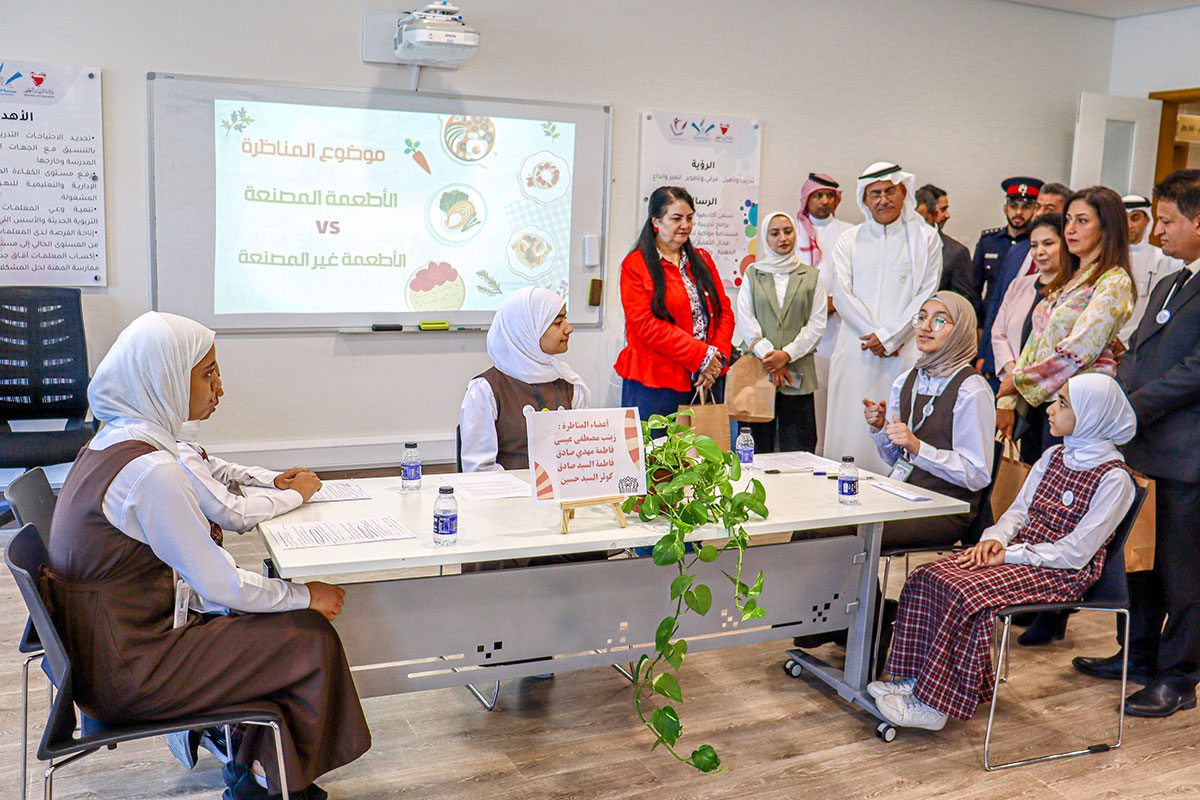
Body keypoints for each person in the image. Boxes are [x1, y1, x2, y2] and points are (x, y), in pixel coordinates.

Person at [46, 312, 370, 800]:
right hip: (130, 671)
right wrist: (306, 594)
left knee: (267, 629)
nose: (220, 386)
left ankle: (259, 772)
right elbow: (220, 582)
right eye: (208, 372)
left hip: (104, 654)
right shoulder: (151, 470)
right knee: (307, 637)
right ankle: (269, 787)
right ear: (164, 377)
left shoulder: (111, 442)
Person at [871, 373, 1136, 730]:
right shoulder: (1054, 456)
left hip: (1060, 572)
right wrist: (994, 538)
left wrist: (1008, 554)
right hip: (1021, 554)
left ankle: (934, 705)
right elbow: (1019, 511)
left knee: (967, 593)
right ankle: (914, 678)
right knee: (927, 575)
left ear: (1092, 416)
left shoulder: (1114, 479)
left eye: (1063, 404)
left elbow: (1075, 553)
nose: (1050, 409)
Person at [1074, 169, 1200, 719]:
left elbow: (1196, 371)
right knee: (1142, 563)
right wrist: (1117, 393)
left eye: (1168, 220)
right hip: (1144, 446)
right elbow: (1139, 355)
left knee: (1185, 573)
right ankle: (1139, 655)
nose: (1158, 232)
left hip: (1188, 454)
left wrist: (1132, 405)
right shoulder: (1173, 282)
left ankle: (1179, 676)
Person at [997, 186, 1134, 646]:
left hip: (1081, 407)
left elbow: (1081, 348)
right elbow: (1039, 341)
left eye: (1080, 221)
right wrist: (1014, 394)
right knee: (1044, 504)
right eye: (1068, 220)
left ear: (1106, 226)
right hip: (1047, 400)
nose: (1070, 229)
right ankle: (1038, 599)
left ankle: (1055, 608)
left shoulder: (1113, 280)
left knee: (1073, 507)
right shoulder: (1075, 277)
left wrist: (1021, 381)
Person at [823, 162, 942, 473]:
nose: (883, 200)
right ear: (864, 199)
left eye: (890, 191)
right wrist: (876, 335)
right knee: (849, 427)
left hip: (903, 350)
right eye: (875, 194)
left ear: (904, 192)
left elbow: (926, 294)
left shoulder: (926, 238)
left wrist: (890, 337)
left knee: (897, 422)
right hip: (856, 349)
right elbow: (843, 295)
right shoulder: (849, 239)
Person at [860, 291, 995, 548]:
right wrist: (881, 429)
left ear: (961, 330)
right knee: (821, 525)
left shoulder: (971, 389)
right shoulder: (909, 380)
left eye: (940, 320)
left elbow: (977, 475)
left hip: (946, 506)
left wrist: (918, 447)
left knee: (847, 534)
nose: (926, 327)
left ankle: (855, 591)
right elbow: (897, 459)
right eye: (921, 318)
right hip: (905, 492)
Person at [617, 186, 734, 423]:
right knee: (659, 456)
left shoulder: (702, 259)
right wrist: (701, 356)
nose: (685, 225)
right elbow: (645, 325)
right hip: (657, 383)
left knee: (704, 457)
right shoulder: (635, 265)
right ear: (656, 222)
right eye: (676, 218)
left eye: (690, 218)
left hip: (707, 379)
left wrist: (715, 360)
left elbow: (724, 312)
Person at [460, 287, 589, 472]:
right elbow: (479, 470)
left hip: (564, 494)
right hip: (506, 497)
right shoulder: (485, 389)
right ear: (527, 329)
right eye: (558, 322)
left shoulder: (569, 383)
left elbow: (584, 454)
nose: (569, 328)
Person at [735, 211, 826, 452]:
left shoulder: (812, 276)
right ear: (765, 238)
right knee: (756, 447)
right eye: (774, 233)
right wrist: (770, 357)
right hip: (758, 371)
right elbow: (746, 319)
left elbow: (816, 323)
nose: (783, 238)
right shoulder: (753, 273)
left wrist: (786, 355)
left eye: (788, 231)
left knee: (799, 446)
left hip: (799, 373)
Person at [992, 213, 1075, 462]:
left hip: (1058, 392)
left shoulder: (1077, 290)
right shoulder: (1020, 285)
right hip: (1018, 391)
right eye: (1034, 245)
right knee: (1025, 463)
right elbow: (999, 334)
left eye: (1048, 243)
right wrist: (1015, 373)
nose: (1039, 252)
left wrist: (1022, 376)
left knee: (1053, 461)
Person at [178, 420, 322, 538]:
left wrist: (275, 479)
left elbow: (222, 471)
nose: (218, 391)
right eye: (209, 383)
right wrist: (296, 494)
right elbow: (234, 514)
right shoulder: (181, 456)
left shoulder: (183, 444)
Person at [797, 173, 854, 456]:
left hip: (841, 331)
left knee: (839, 401)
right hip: (803, 332)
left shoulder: (850, 231)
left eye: (830, 196)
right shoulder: (792, 230)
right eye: (818, 195)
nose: (824, 201)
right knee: (812, 406)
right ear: (807, 199)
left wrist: (837, 303)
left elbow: (855, 280)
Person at [975, 177, 1043, 381]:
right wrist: (980, 340)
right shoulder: (990, 241)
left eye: (1026, 207)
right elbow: (976, 290)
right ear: (1006, 208)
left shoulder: (1035, 246)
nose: (1019, 213)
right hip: (990, 326)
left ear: (1034, 210)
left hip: (1020, 330)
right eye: (1014, 206)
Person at [1118, 193, 1184, 345]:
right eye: (1123, 219)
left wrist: (1122, 341)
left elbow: (1157, 311)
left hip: (1139, 343)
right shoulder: (1106, 257)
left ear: (1147, 220)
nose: (1128, 225)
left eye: (1135, 218)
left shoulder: (1164, 259)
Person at [916, 184, 979, 312]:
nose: (947, 215)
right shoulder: (901, 247)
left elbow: (963, 304)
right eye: (943, 209)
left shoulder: (956, 252)